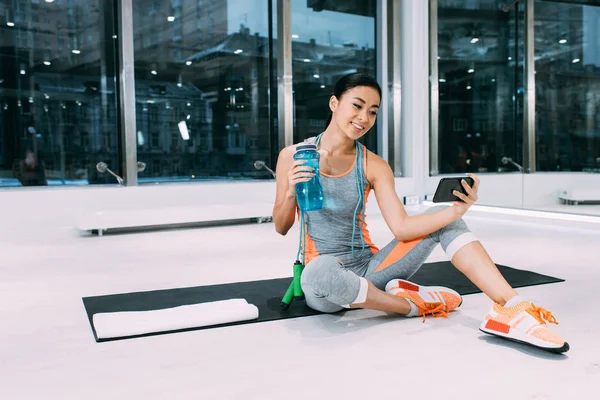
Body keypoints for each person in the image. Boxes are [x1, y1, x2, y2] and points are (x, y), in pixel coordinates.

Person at [272, 72, 569, 354]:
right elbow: (281, 227)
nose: (364, 118)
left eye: (373, 111)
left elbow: (401, 227)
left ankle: (512, 308)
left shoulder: (374, 164)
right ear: (335, 103)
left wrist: (456, 209)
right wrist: (289, 192)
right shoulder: (293, 156)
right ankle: (413, 305)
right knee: (319, 273)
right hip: (322, 278)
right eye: (357, 106)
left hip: (371, 268)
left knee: (447, 218)